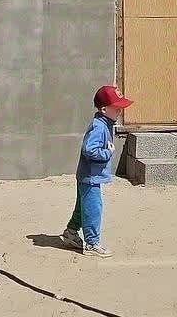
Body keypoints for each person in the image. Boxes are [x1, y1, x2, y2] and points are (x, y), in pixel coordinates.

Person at [61, 85, 133, 258]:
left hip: (89, 176)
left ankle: (71, 232)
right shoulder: (99, 126)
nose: (120, 111)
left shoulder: (105, 123)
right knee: (94, 209)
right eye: (117, 108)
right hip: (90, 177)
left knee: (83, 207)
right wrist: (107, 153)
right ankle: (92, 244)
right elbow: (89, 149)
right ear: (104, 109)